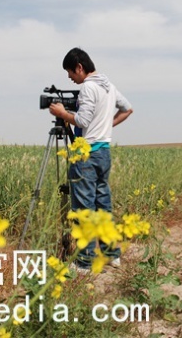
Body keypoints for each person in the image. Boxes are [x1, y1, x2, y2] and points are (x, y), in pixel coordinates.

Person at [49, 47, 133, 272]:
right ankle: (111, 255)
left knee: (84, 208)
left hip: (85, 154)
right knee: (103, 204)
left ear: (79, 67)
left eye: (70, 73)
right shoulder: (109, 86)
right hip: (104, 152)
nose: (70, 78)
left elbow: (83, 120)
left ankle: (84, 262)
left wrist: (61, 113)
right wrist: (106, 125)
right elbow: (127, 109)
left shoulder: (88, 87)